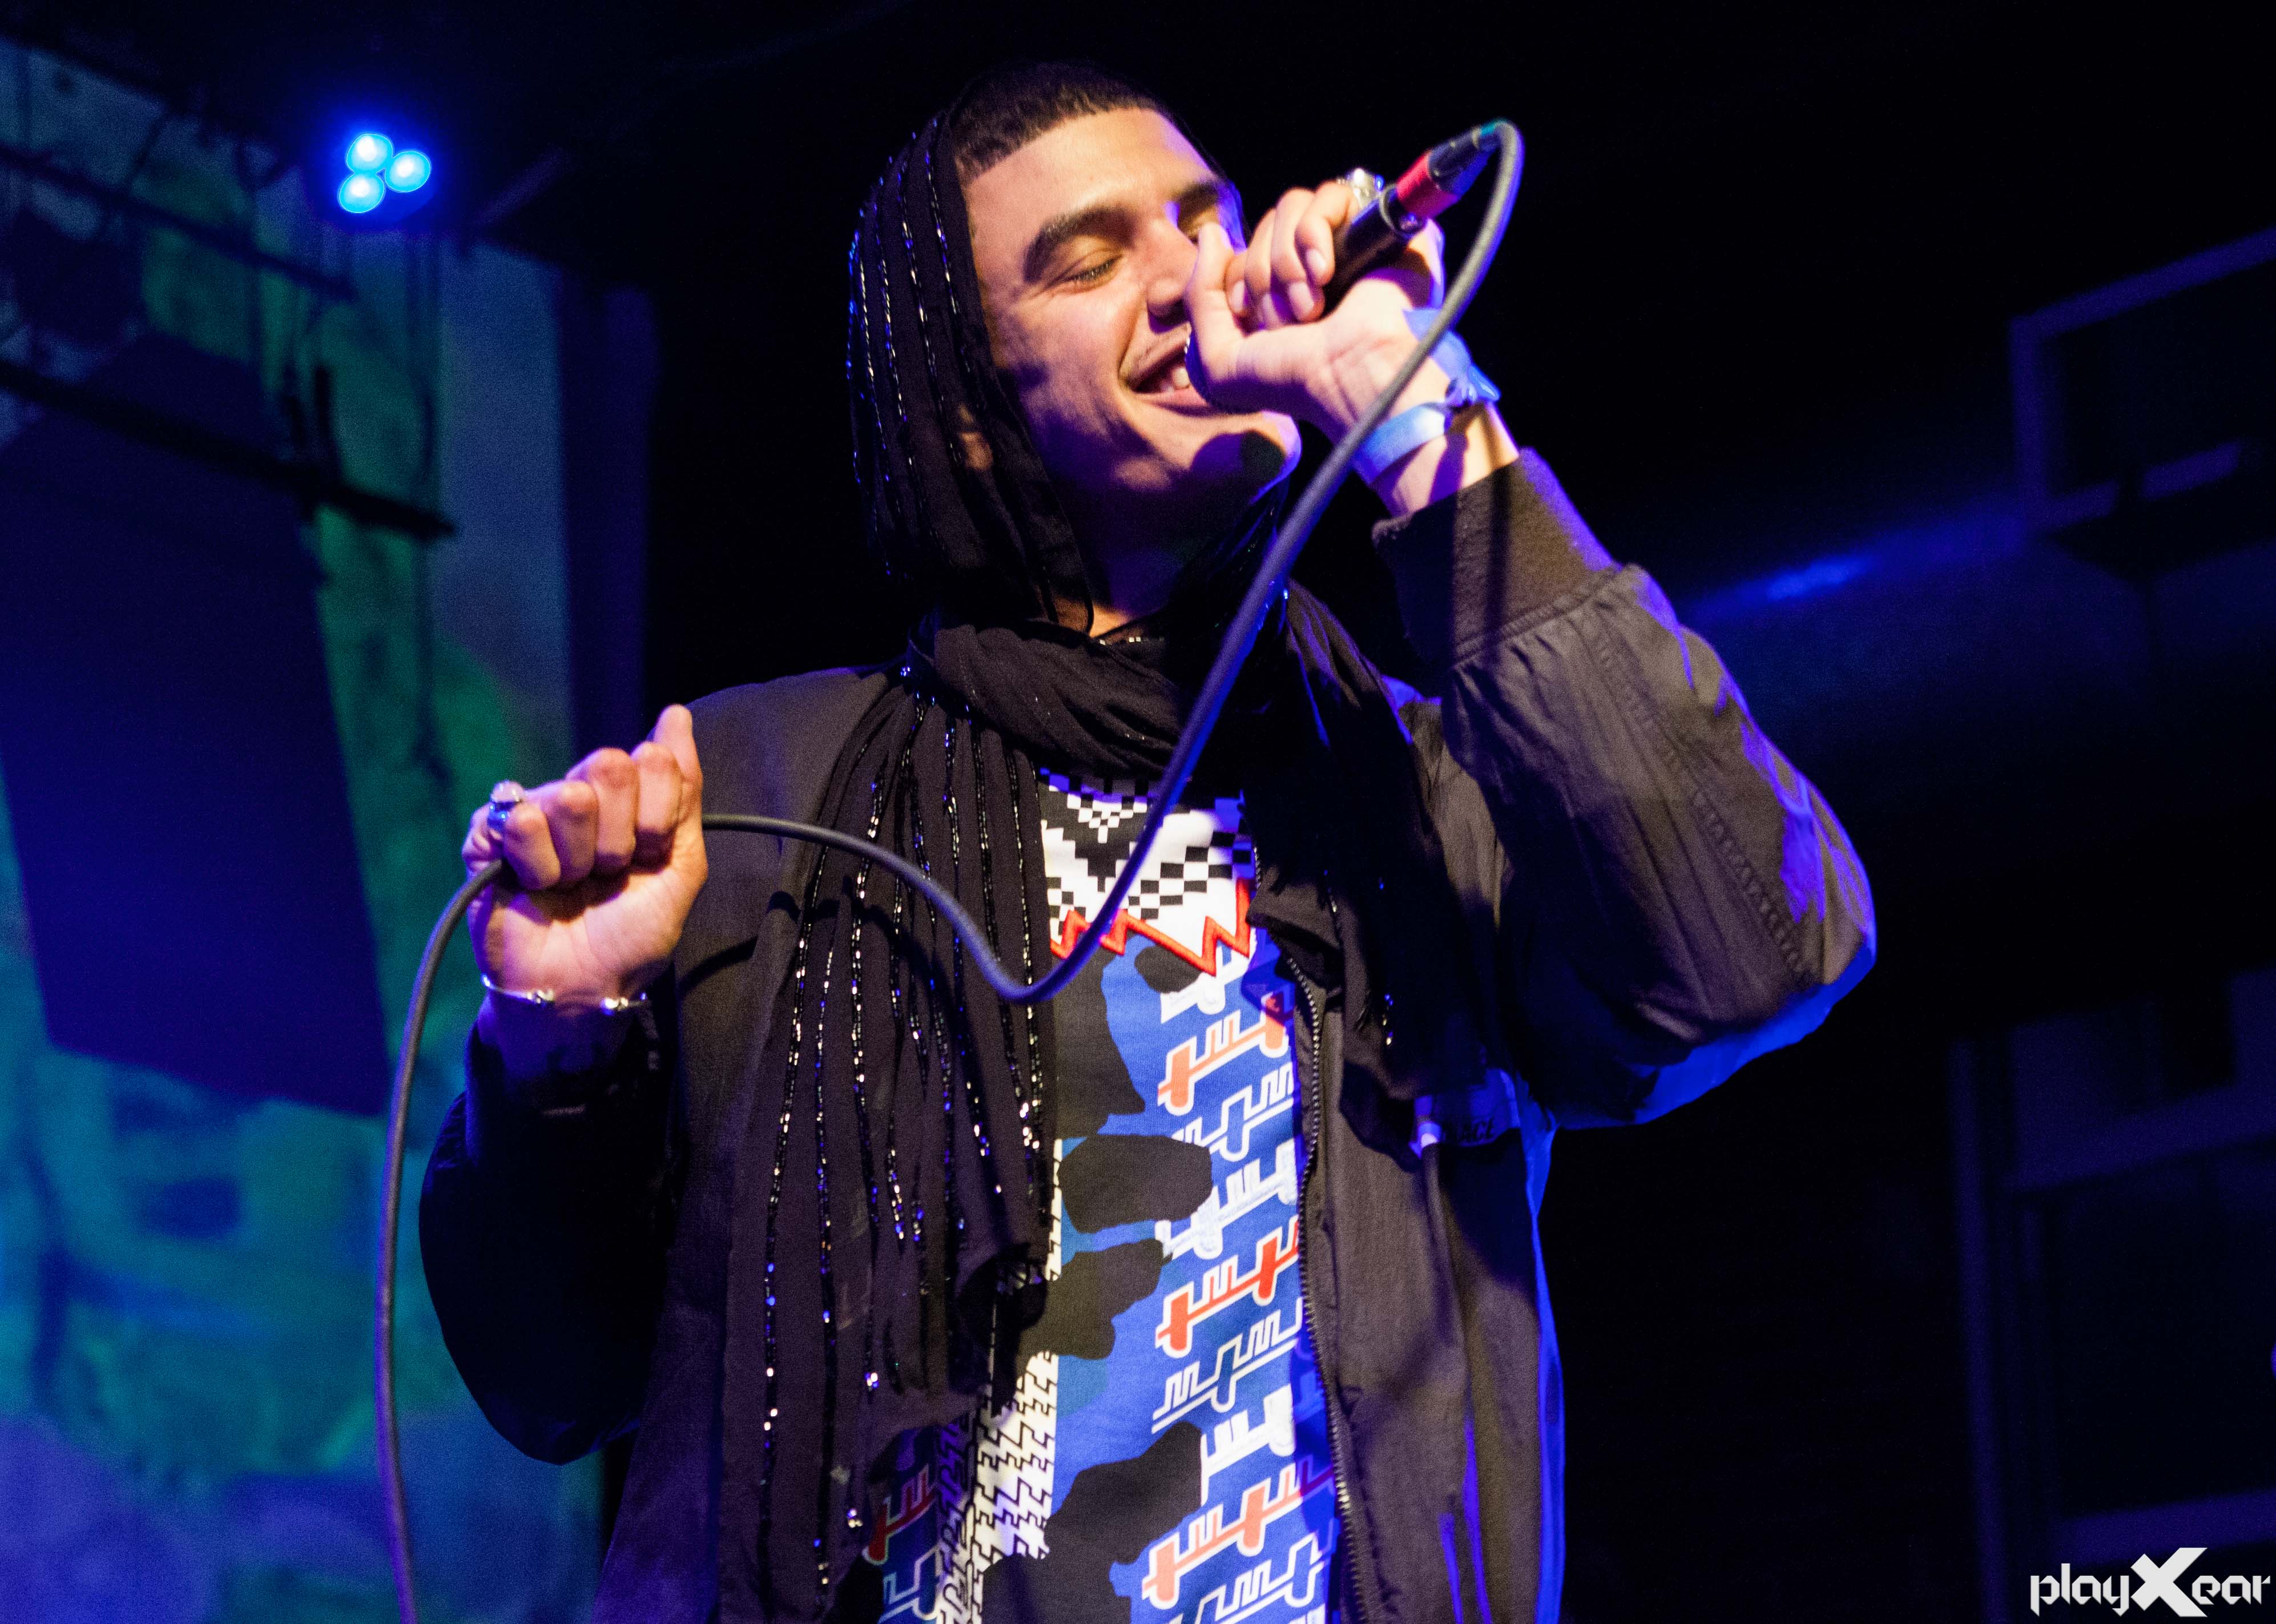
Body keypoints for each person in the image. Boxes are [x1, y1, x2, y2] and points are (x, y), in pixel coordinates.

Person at [420, 61, 1874, 1624]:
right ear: (972, 419)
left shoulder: (1431, 790)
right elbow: (550, 1380)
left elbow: (1752, 950)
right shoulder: (770, 799)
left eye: (1209, 222)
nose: (1196, 280)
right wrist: (558, 1038)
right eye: (1092, 259)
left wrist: (1418, 410)